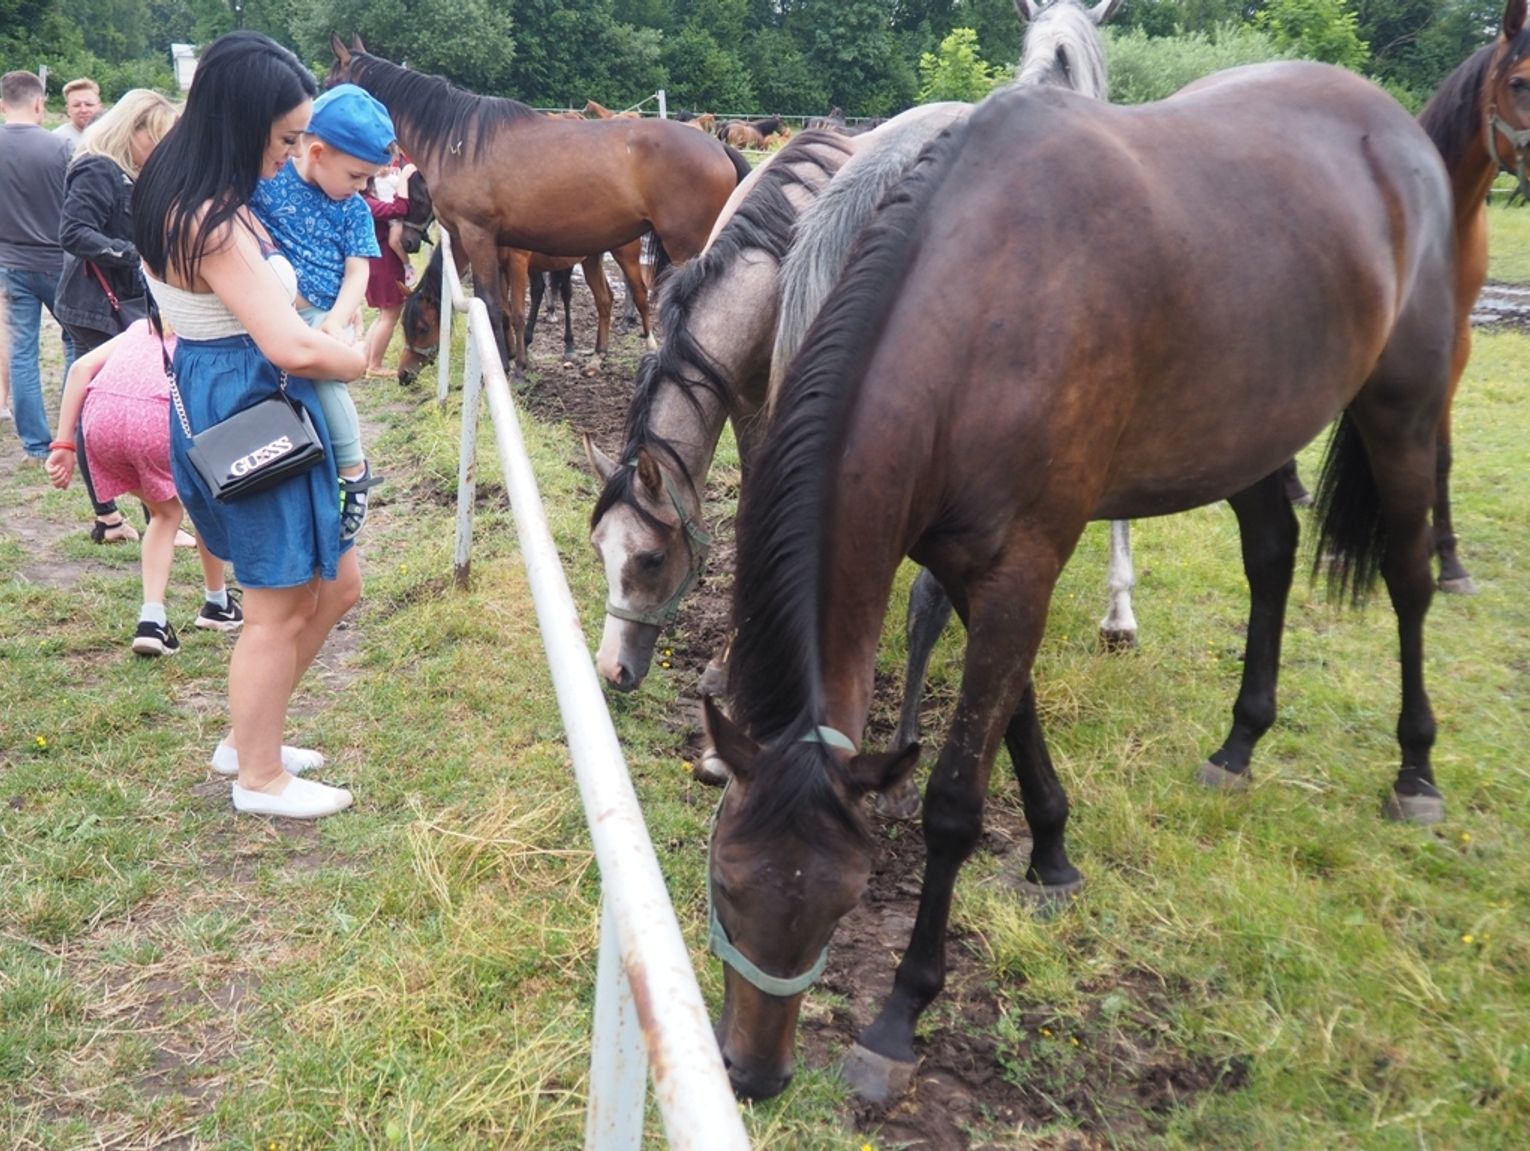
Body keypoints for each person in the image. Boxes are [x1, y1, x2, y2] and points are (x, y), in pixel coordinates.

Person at [134, 30, 366, 820]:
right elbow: (286, 340)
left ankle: (252, 738)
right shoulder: (210, 219)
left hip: (232, 393)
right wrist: (356, 356)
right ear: (241, 123)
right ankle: (257, 776)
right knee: (275, 604)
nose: (292, 152)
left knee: (335, 585)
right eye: (285, 138)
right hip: (247, 402)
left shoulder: (183, 186)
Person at [45, 318, 243, 655]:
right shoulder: (208, 334)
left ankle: (154, 619)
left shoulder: (142, 327)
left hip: (100, 423)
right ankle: (215, 603)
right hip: (157, 421)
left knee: (163, 514)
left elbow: (80, 368)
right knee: (205, 503)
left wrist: (64, 444)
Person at [250, 82, 390, 540]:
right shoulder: (266, 182)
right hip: (266, 313)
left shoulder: (354, 210)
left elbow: (358, 273)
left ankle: (353, 469)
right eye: (356, 175)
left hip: (319, 315)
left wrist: (336, 318)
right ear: (317, 152)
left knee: (327, 380)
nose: (364, 187)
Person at [56, 89, 179, 544]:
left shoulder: (129, 171)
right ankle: (111, 516)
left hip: (121, 302)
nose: (162, 149)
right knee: (98, 405)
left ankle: (149, 518)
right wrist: (132, 254)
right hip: (95, 305)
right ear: (135, 129)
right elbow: (73, 232)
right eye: (159, 139)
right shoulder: (97, 167)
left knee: (119, 406)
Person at [1, 70, 75, 461]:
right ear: (39, 103)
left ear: (1, 105)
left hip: (10, 263)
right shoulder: (60, 147)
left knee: (22, 352)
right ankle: (72, 431)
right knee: (74, 344)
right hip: (59, 261)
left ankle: (34, 443)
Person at [360, 161, 415, 378]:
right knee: (390, 315)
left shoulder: (365, 201)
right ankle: (375, 365)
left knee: (383, 314)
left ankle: (366, 360)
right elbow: (398, 209)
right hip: (384, 262)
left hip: (377, 261)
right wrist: (404, 178)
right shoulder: (365, 203)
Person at [53, 78, 102, 145]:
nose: (83, 110)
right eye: (76, 105)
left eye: (89, 104)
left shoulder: (112, 136)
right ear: (68, 110)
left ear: (99, 107)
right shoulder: (57, 140)